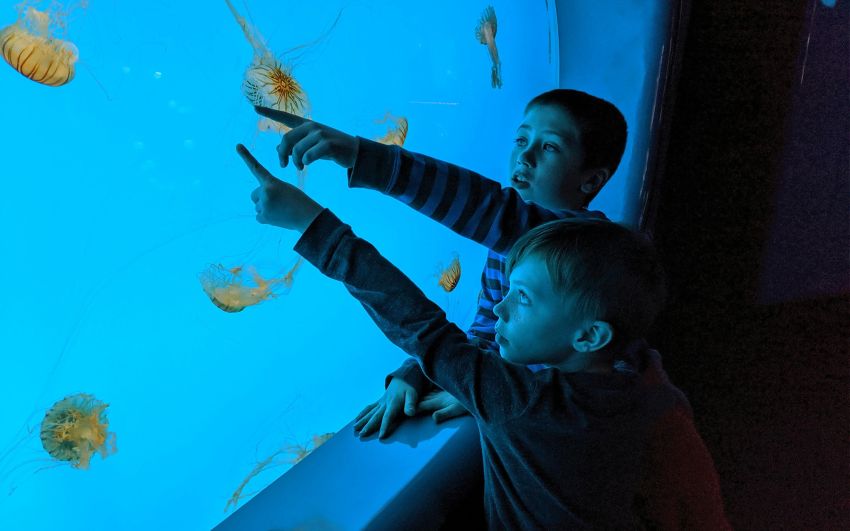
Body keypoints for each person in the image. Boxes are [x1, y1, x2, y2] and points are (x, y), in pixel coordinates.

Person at [233, 142, 719, 527]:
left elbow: (421, 327)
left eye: (522, 298)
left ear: (590, 336)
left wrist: (311, 223)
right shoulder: (648, 382)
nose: (500, 307)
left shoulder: (522, 401)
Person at [253, 89, 628, 441]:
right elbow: (489, 329)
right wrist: (419, 372)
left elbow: (493, 211)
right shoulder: (505, 251)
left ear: (591, 180)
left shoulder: (592, 249)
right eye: (521, 139)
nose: (524, 157)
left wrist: (361, 157)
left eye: (549, 147)